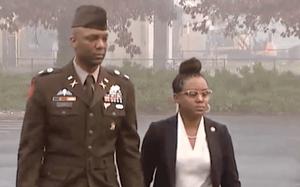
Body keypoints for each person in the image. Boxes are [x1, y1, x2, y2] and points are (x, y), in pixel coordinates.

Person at [16, 5, 144, 187]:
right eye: (92, 38)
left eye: (104, 38)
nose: (100, 45)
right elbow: (30, 152)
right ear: (73, 41)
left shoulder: (122, 87)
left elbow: (129, 153)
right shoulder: (47, 86)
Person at [141, 57, 241, 187]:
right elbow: (142, 177)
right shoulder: (159, 132)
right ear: (176, 98)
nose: (200, 99)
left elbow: (231, 181)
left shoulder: (220, 133)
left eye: (205, 94)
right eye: (192, 94)